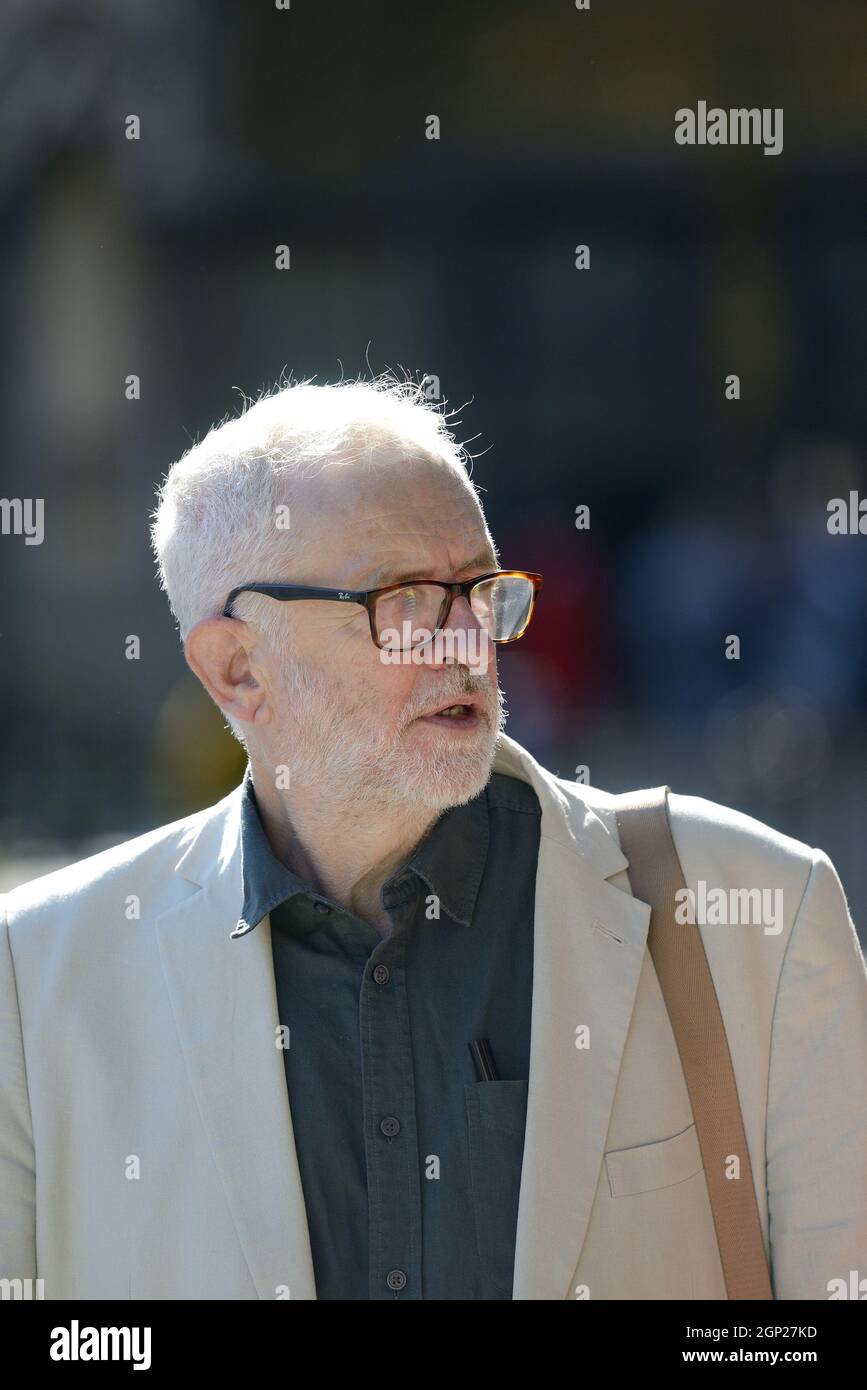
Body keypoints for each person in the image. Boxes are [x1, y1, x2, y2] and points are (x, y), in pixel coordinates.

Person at [1, 374, 865, 1300]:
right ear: (237, 669)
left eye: (480, 591)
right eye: (404, 601)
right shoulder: (33, 979)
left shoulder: (760, 912)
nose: (465, 645)